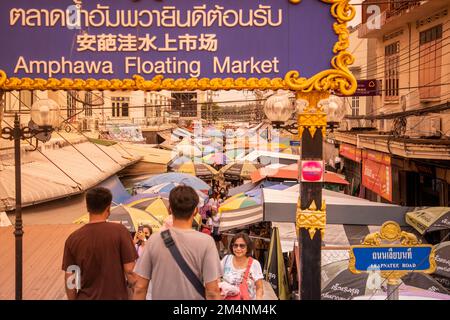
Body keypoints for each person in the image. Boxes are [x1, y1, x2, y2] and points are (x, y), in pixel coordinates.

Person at [133, 185, 222, 300]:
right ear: (195, 211)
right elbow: (212, 291)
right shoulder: (206, 242)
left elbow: (140, 287)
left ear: (169, 209)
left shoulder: (153, 240)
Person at [62, 187, 138, 300]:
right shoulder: (120, 231)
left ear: (87, 208)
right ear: (108, 208)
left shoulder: (73, 239)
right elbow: (130, 271)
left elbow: (70, 278)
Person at [220, 233, 264, 300]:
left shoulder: (255, 264)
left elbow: (259, 287)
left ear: (248, 247)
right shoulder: (226, 259)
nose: (238, 248)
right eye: (235, 245)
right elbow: (216, 277)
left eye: (242, 246)